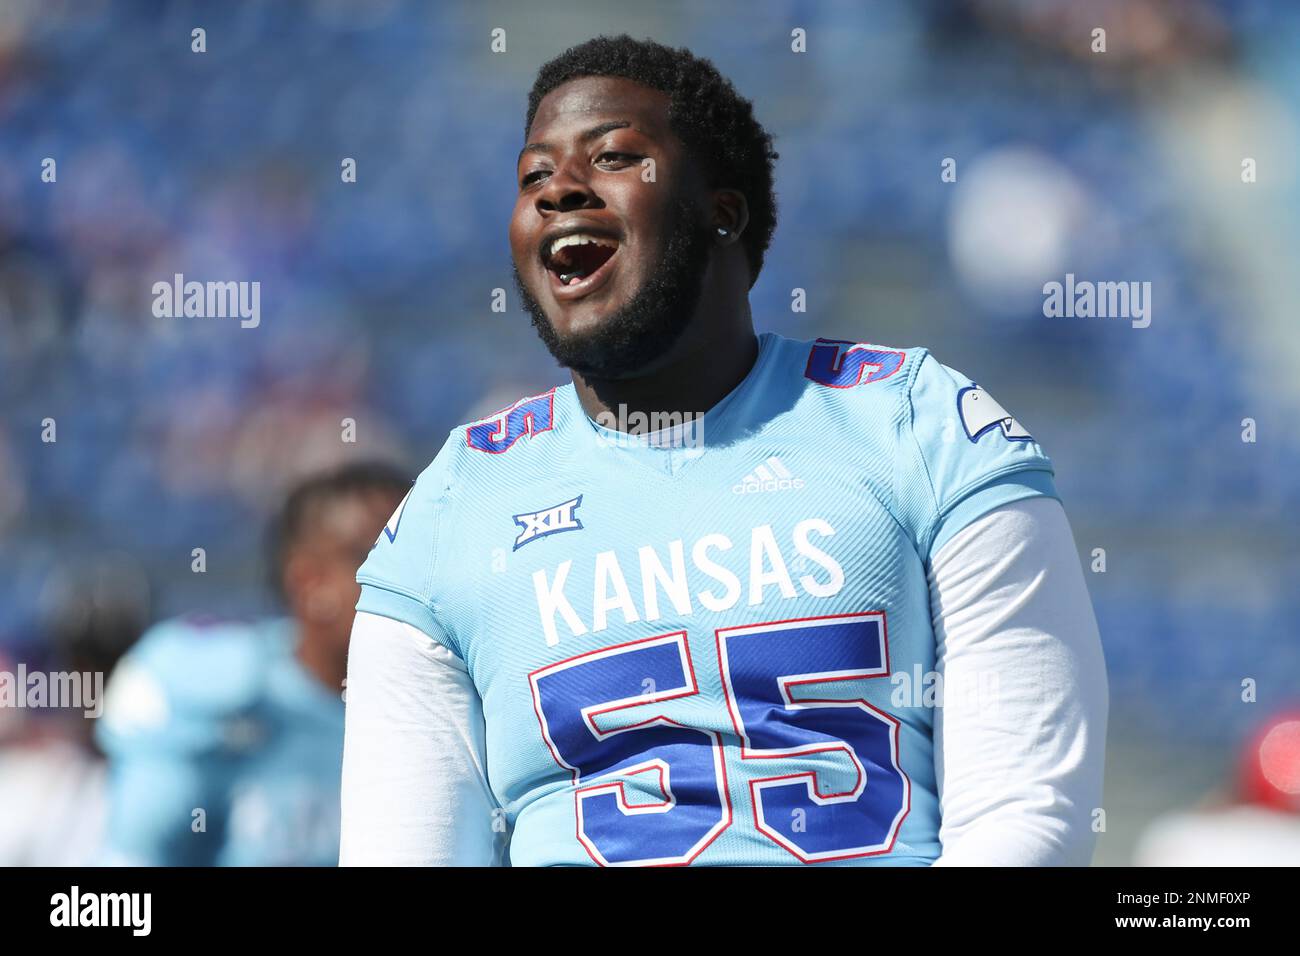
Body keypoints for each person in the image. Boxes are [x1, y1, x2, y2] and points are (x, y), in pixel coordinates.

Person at [340, 35, 1107, 867]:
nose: (560, 188)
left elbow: (1023, 821)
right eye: (534, 177)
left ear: (723, 209)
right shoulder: (453, 506)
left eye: (613, 157)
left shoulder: (922, 429)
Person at [98, 461, 409, 866]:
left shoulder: (456, 698)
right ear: (309, 582)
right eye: (381, 558)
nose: (408, 583)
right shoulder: (216, 695)